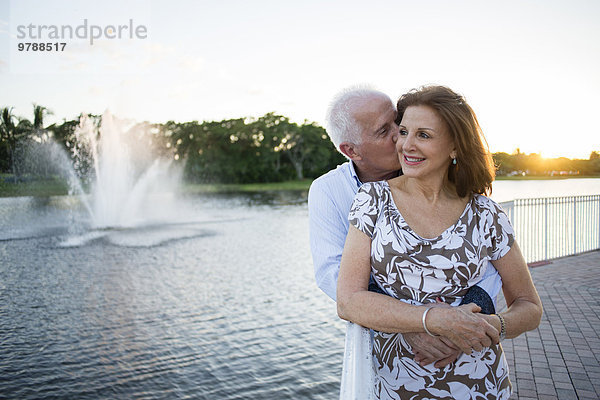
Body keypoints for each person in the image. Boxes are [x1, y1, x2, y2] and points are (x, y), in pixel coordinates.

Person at [336, 85, 543, 399]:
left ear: (455, 147)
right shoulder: (373, 199)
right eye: (403, 131)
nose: (405, 145)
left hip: (479, 385)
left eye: (424, 135)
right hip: (398, 387)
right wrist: (433, 320)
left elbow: (529, 307)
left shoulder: (486, 214)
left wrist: (487, 327)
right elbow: (349, 301)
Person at [308, 86, 502, 367]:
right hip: (397, 355)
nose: (401, 134)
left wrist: (460, 325)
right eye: (383, 130)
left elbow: (489, 257)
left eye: (397, 120)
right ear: (351, 150)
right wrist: (412, 324)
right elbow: (333, 275)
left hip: (469, 345)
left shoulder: (435, 170)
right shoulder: (329, 191)